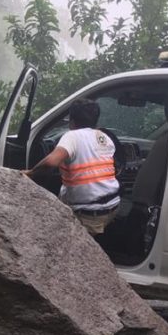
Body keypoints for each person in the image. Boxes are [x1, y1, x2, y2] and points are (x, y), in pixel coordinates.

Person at [22, 98, 120, 235]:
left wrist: (31, 173)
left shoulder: (72, 136)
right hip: (113, 206)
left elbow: (50, 163)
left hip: (89, 213)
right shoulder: (104, 137)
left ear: (71, 121)